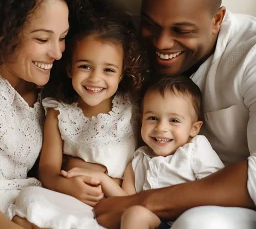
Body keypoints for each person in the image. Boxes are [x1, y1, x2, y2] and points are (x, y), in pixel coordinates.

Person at [93, 0, 256, 229]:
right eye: (151, 25)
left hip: (235, 205)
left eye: (181, 30)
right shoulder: (129, 45)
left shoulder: (250, 55)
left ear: (216, 20)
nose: (162, 43)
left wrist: (143, 202)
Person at [0, 0, 106, 228]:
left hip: (28, 208)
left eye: (62, 38)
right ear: (2, 32)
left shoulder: (55, 94)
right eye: (42, 39)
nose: (57, 53)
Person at [9, 16, 145, 228]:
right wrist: (69, 187)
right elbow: (47, 170)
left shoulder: (132, 110)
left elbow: (139, 163)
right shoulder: (59, 112)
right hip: (70, 198)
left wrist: (109, 185)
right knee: (30, 196)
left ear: (121, 74)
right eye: (85, 66)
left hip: (113, 203)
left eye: (108, 70)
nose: (95, 79)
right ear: (69, 68)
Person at [65, 75, 224, 229]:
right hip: (152, 223)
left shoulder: (195, 148)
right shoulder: (138, 160)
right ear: (141, 119)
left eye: (174, 120)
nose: (161, 128)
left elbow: (214, 188)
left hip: (189, 221)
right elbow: (126, 201)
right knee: (126, 215)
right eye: (152, 118)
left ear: (194, 128)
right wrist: (102, 178)